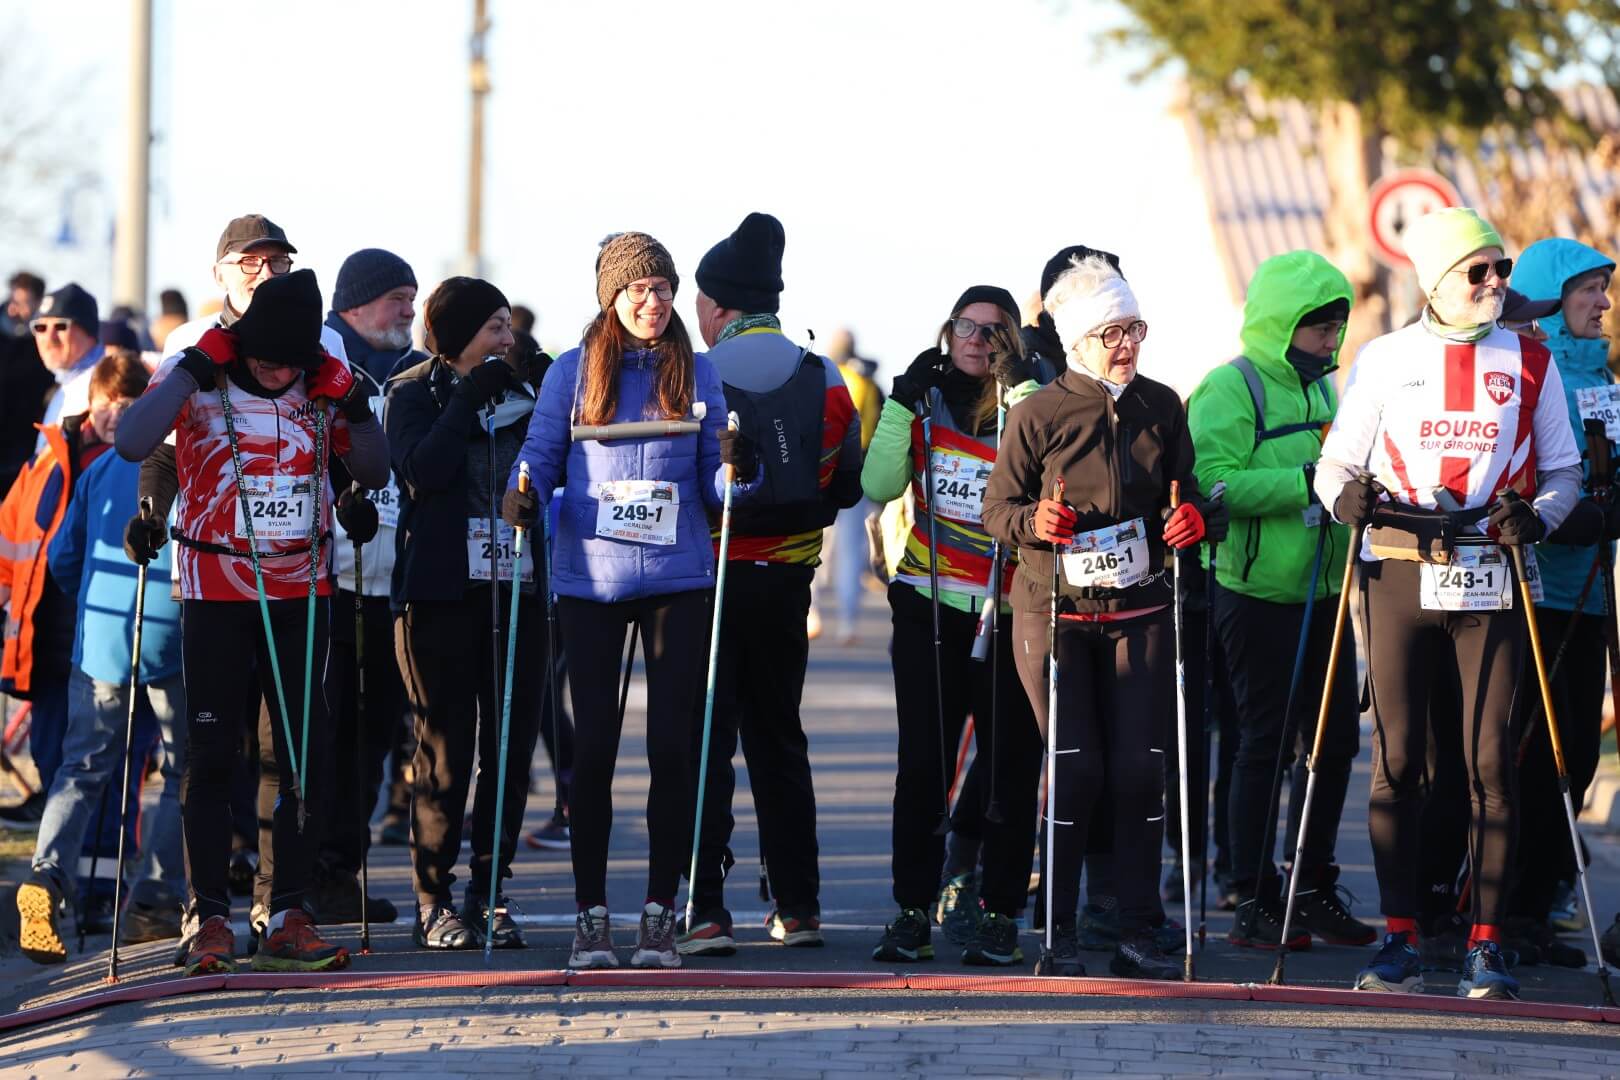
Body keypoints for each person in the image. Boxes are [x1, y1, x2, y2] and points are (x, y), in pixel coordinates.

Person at [1314, 207, 1582, 1001]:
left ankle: (1487, 946)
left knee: (1490, 762)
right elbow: (1333, 467)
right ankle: (1399, 938)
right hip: (1400, 568)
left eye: (1500, 268)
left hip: (1491, 574)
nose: (1497, 283)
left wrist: (1536, 516)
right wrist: (1346, 502)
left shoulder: (1531, 360)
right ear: (1436, 280)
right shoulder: (1387, 357)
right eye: (1479, 271)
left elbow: (1564, 472)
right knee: (1398, 762)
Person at [117, 268, 390, 975]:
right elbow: (133, 440)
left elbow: (376, 469)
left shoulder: (320, 380)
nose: (274, 371)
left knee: (298, 755)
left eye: (287, 362)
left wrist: (355, 409)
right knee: (210, 758)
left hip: (302, 588)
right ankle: (206, 915)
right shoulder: (200, 373)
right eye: (263, 358)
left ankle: (285, 909)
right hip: (215, 589)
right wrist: (189, 373)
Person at [501, 231, 758, 970]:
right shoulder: (572, 371)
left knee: (673, 749)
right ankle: (590, 916)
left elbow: (716, 481)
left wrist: (738, 476)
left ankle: (657, 911)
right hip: (593, 579)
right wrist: (521, 493)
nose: (654, 302)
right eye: (639, 290)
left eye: (664, 289)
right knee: (596, 752)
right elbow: (543, 454)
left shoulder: (698, 372)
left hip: (676, 579)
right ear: (611, 299)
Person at [982, 254, 1211, 980]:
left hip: (1141, 607)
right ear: (1078, 340)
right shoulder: (1037, 413)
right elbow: (996, 510)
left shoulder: (1161, 405)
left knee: (1143, 774)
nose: (1127, 344)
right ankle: (1059, 925)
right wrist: (1033, 521)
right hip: (1055, 613)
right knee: (1077, 772)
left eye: (1134, 328)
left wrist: (1190, 520)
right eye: (1112, 331)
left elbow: (1186, 494)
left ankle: (1140, 927)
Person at [675, 213, 861, 956]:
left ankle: (705, 910)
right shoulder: (826, 378)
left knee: (706, 745)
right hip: (787, 582)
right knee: (780, 742)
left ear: (716, 307)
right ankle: (799, 905)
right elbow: (845, 489)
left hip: (708, 583)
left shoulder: (690, 375)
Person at [1186, 250, 1375, 951]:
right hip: (1255, 592)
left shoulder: (1324, 390)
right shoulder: (1228, 388)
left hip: (1326, 590)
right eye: (1318, 328)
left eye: (1335, 328)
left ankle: (1313, 884)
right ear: (1279, 324)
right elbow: (1216, 487)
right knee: (1262, 743)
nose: (1330, 342)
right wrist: (1312, 479)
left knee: (1334, 744)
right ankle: (1253, 894)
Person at [862, 283, 1044, 967]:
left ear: (1012, 343)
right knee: (923, 769)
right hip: (928, 604)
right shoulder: (925, 400)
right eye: (963, 327)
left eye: (991, 331)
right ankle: (911, 910)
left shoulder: (1032, 402)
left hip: (1009, 611)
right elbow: (878, 486)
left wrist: (1022, 391)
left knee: (1008, 771)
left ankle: (999, 913)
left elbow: (1050, 474)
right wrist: (899, 404)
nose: (974, 340)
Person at [385, 276, 547, 951]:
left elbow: (555, 467)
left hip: (517, 587)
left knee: (507, 751)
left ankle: (490, 889)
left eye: (509, 327)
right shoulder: (410, 391)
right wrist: (466, 404)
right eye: (492, 329)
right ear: (455, 338)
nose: (506, 341)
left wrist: (545, 394)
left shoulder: (527, 392)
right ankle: (434, 898)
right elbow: (422, 470)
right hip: (439, 594)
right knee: (444, 755)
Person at [16, 353, 187, 961]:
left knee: (81, 768)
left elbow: (64, 558)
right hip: (175, 633)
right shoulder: (196, 465)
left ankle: (46, 875)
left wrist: (93, 594)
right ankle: (155, 901)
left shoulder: (103, 467)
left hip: (101, 640)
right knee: (184, 770)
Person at [309, 247, 427, 927]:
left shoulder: (414, 371)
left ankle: (338, 873)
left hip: (393, 585)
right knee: (322, 733)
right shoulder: (323, 363)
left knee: (374, 736)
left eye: (413, 297)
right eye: (396, 297)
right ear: (355, 302)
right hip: (328, 582)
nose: (408, 310)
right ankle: (295, 874)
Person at [1506, 239, 1616, 948]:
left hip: (1594, 592)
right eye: (1589, 291)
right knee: (1526, 753)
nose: (1604, 303)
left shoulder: (1605, 378)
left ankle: (1544, 894)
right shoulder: (1526, 370)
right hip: (1534, 590)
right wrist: (1583, 515)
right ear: (1551, 298)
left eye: (1606, 290)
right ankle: (1505, 903)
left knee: (1577, 750)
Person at [0, 311, 116, 828]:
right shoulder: (46, 462)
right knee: (53, 759)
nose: (112, 413)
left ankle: (95, 890)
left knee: (100, 770)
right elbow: (12, 539)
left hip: (101, 646)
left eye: (124, 401)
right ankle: (61, 882)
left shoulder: (139, 470)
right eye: (104, 401)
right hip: (45, 641)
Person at [812, 328, 882, 644]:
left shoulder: (823, 378)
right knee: (851, 553)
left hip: (823, 474)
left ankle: (812, 613)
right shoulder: (868, 383)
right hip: (859, 475)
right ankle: (848, 622)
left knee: (816, 546)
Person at [0, 271, 52, 499]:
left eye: (23, 304)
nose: (13, 310)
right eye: (13, 301)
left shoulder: (46, 340)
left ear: (38, 304)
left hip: (24, 438)